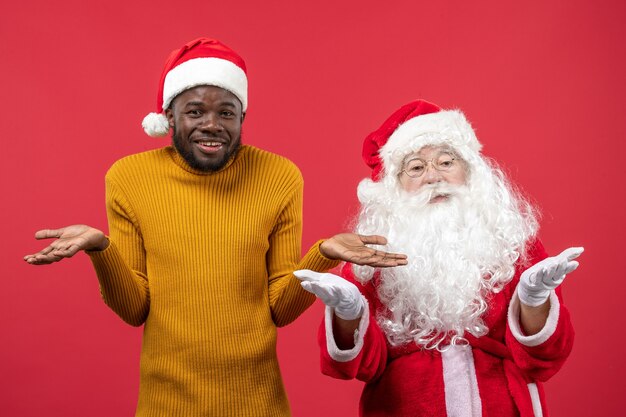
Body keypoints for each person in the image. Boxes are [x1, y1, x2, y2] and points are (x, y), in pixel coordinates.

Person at [23, 38, 406, 417]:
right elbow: (135, 308)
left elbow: (279, 310)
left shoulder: (279, 176)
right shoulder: (128, 178)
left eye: (226, 112)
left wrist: (321, 255)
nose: (212, 126)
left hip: (258, 403)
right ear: (169, 117)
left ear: (242, 118)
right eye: (195, 112)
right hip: (166, 404)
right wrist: (101, 250)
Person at [295, 100, 583, 417]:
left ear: (470, 171)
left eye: (446, 163)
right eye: (417, 167)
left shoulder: (512, 242)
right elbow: (362, 366)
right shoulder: (369, 256)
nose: (434, 177)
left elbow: (544, 358)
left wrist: (534, 300)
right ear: (395, 185)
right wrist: (348, 313)